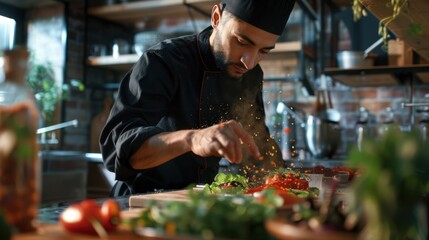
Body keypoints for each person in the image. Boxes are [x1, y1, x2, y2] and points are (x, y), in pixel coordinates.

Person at [100, 0, 296, 196]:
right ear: (216, 18)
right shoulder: (163, 61)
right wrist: (193, 139)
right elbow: (116, 151)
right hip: (141, 201)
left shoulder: (252, 75)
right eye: (242, 42)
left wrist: (286, 179)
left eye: (264, 51)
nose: (249, 62)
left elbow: (257, 143)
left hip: (202, 202)